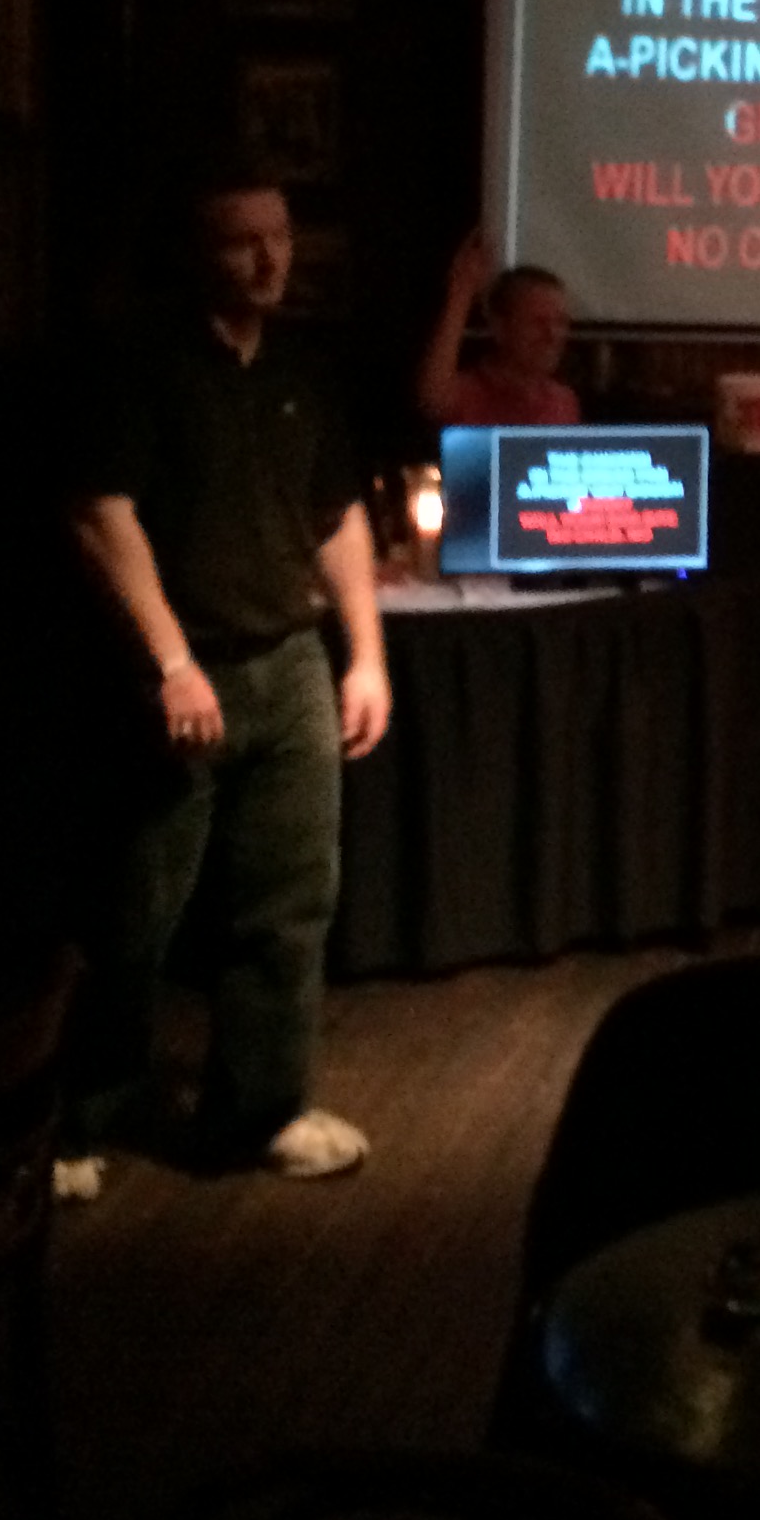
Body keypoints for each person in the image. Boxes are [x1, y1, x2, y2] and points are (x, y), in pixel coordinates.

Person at [58, 167, 392, 1196]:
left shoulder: (300, 364)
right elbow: (101, 516)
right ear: (195, 252)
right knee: (136, 911)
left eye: (279, 235)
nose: (269, 257)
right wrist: (171, 664)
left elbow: (336, 515)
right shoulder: (137, 362)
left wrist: (367, 655)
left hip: (289, 661)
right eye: (243, 239)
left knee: (290, 904)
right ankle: (74, 1121)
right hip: (180, 668)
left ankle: (263, 1109)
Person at [416, 231, 579, 427]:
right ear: (500, 327)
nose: (552, 335)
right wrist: (462, 292)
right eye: (538, 322)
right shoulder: (469, 394)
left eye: (560, 322)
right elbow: (433, 399)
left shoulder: (563, 402)